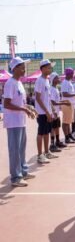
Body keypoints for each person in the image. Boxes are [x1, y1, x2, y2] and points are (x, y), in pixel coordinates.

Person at [3, 57, 36, 187]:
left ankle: (23, 171)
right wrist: (23, 109)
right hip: (13, 122)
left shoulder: (19, 83)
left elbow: (21, 102)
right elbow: (6, 104)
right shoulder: (10, 83)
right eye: (22, 66)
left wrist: (29, 107)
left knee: (21, 148)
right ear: (15, 68)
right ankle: (15, 177)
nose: (24, 69)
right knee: (15, 150)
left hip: (20, 121)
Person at [34, 59, 58, 163]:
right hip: (42, 112)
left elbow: (47, 98)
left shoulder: (47, 80)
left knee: (47, 132)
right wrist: (47, 112)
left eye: (50, 67)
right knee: (41, 133)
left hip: (48, 112)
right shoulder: (39, 81)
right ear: (43, 68)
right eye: (48, 67)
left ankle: (47, 152)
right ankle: (40, 155)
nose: (50, 69)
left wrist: (51, 110)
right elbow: (38, 98)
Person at [49, 72, 69, 152]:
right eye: (57, 78)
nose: (59, 79)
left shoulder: (56, 88)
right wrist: (64, 103)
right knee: (53, 128)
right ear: (53, 80)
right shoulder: (52, 89)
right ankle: (52, 144)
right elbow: (52, 102)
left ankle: (57, 141)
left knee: (57, 127)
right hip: (53, 112)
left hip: (57, 111)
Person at [61, 68, 75, 143]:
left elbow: (70, 94)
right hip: (66, 104)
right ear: (68, 74)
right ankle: (66, 137)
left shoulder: (69, 82)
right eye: (72, 74)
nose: (73, 75)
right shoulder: (65, 82)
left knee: (68, 121)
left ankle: (69, 135)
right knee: (65, 122)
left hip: (70, 104)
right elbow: (64, 94)